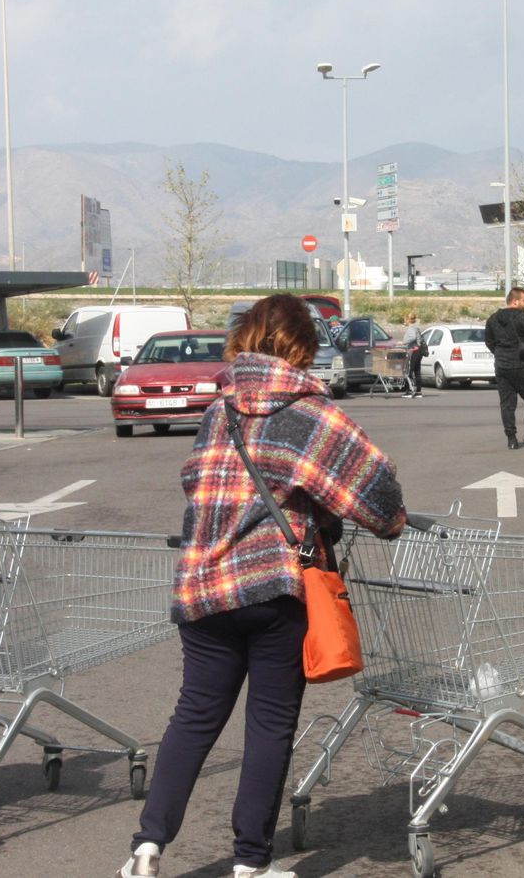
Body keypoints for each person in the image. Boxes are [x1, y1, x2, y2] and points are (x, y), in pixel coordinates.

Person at [120, 295, 406, 878]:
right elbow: (376, 492)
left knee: (194, 716)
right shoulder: (308, 412)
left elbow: (195, 481)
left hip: (203, 585)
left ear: (244, 339)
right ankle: (250, 862)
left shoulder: (218, 410)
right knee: (270, 724)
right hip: (274, 587)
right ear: (303, 346)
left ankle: (147, 848)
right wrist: (387, 520)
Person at [484, 287, 524, 449]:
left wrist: (500, 353)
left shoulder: (493, 319)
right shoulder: (522, 317)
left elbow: (489, 342)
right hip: (522, 364)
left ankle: (511, 439)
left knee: (507, 404)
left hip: (502, 366)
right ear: (515, 301)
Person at [400, 311, 425, 398]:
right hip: (419, 351)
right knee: (417, 371)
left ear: (408, 320)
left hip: (413, 351)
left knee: (409, 371)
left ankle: (409, 391)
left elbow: (413, 337)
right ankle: (418, 391)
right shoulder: (416, 327)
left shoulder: (411, 328)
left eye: (405, 320)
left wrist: (404, 342)